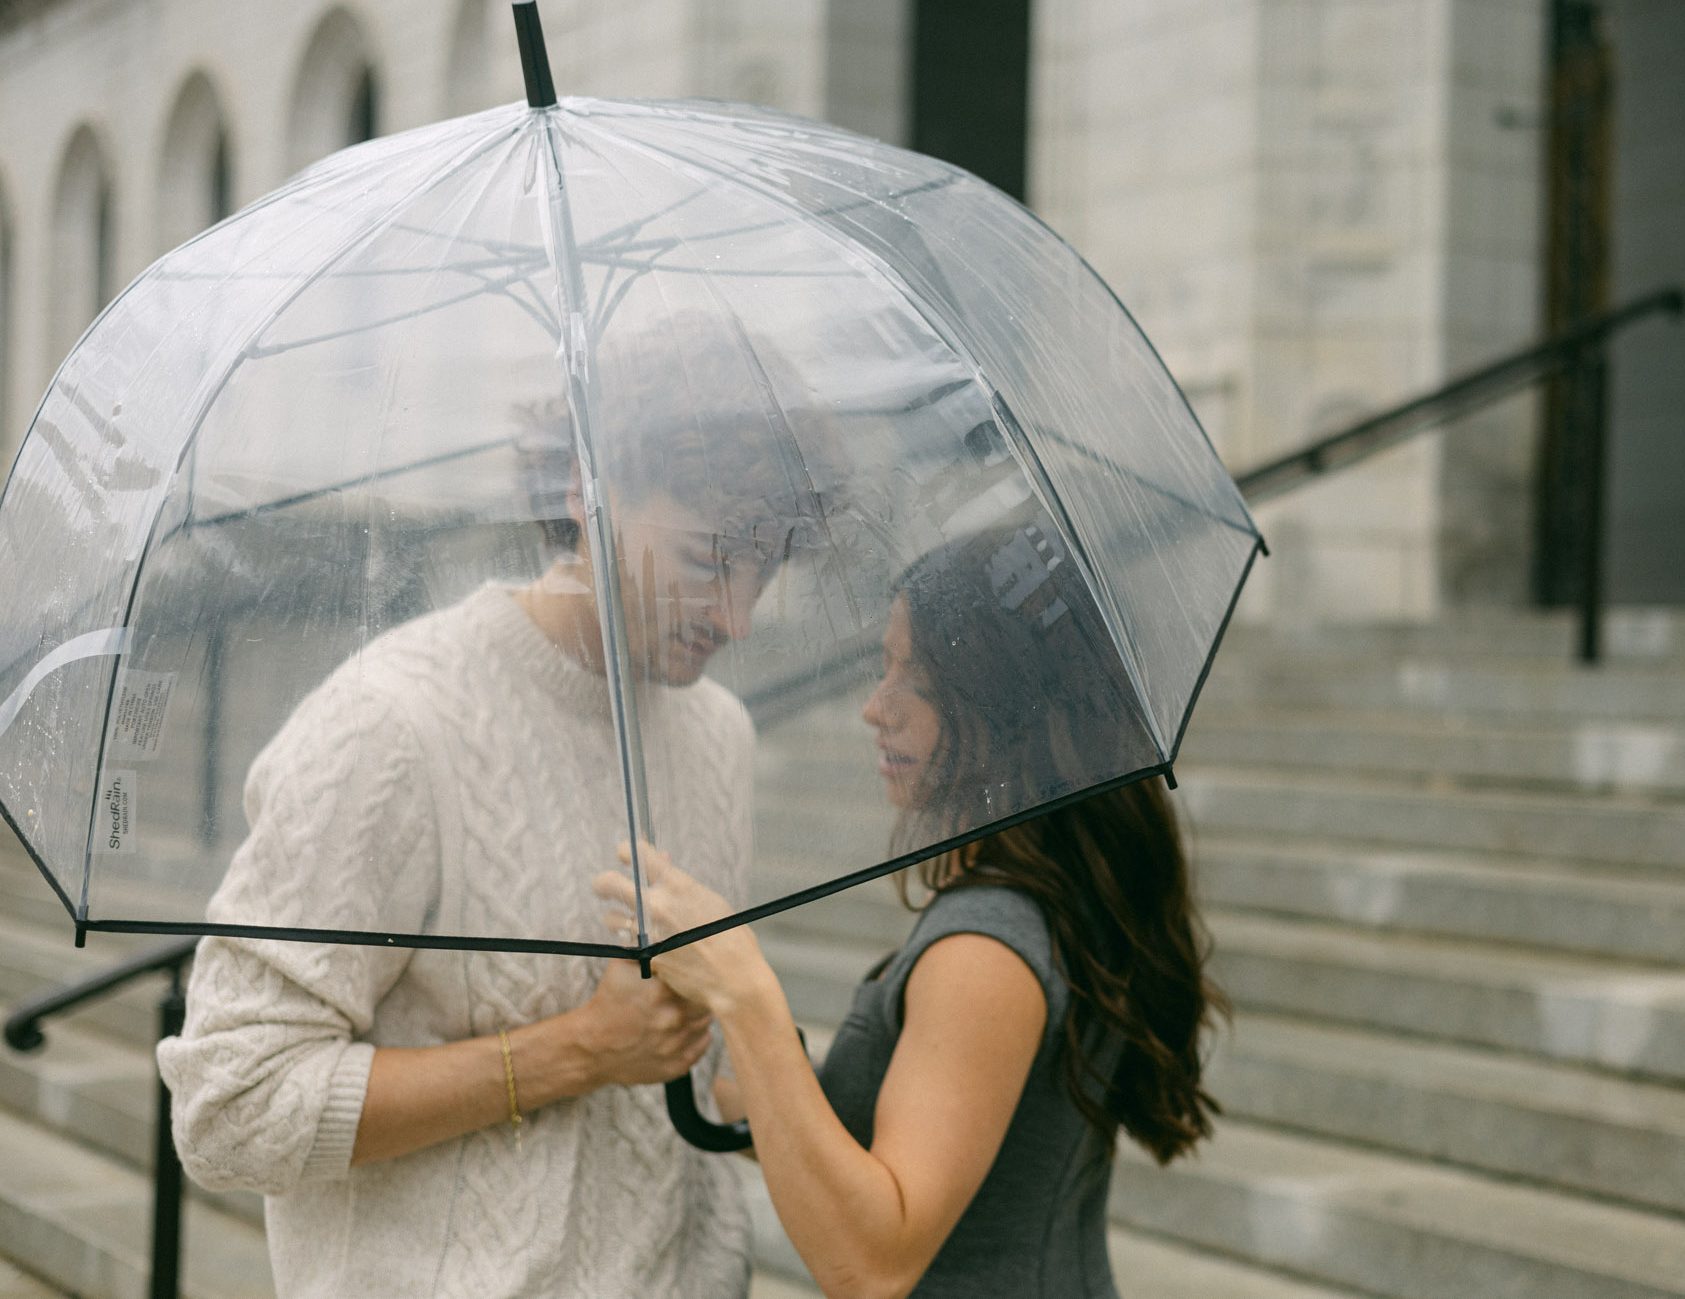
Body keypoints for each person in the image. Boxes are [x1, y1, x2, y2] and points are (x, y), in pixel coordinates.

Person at [156, 319, 834, 1299]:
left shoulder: (718, 731)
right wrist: (573, 1050)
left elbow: (693, 1071)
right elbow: (231, 1108)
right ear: (583, 490)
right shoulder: (388, 725)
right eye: (705, 559)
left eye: (764, 569)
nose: (735, 615)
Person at [599, 514, 1226, 1299]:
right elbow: (875, 1137)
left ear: (1012, 715)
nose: (876, 707)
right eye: (883, 666)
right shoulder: (1052, 894)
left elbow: (871, 1262)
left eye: (920, 683)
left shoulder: (984, 954)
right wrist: (632, 1052)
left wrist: (745, 992)